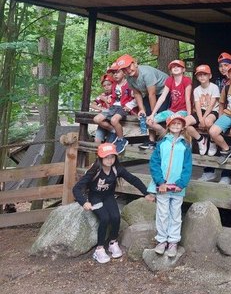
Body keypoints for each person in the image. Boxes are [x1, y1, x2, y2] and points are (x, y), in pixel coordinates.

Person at [73, 142, 154, 264]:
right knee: (105, 218)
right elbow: (76, 188)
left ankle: (113, 242)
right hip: (95, 197)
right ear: (100, 157)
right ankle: (99, 249)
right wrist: (84, 202)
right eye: (106, 157)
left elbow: (133, 179)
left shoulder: (117, 169)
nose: (109, 160)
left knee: (116, 217)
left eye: (112, 157)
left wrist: (146, 193)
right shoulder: (94, 170)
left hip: (108, 196)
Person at [148, 114, 193, 258]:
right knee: (162, 214)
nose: (176, 125)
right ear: (168, 125)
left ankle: (173, 242)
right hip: (163, 186)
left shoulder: (185, 145)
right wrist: (160, 182)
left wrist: (182, 183)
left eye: (179, 123)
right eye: (173, 123)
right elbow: (154, 163)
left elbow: (188, 167)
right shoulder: (162, 143)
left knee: (175, 214)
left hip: (178, 187)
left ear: (183, 126)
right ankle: (161, 240)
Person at [147, 59, 206, 151]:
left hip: (183, 110)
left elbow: (187, 98)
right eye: (173, 67)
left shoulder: (186, 80)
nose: (175, 68)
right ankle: (169, 138)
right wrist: (152, 113)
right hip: (172, 110)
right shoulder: (169, 80)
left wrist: (189, 114)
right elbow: (162, 97)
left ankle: (180, 143)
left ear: (183, 70)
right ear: (170, 70)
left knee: (175, 122)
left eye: (178, 66)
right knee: (150, 121)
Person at [115, 54, 168, 152]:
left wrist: (153, 113)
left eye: (129, 67)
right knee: (146, 114)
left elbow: (152, 94)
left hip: (164, 91)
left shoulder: (146, 73)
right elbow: (137, 93)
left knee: (159, 115)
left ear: (135, 63)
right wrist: (142, 109)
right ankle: (151, 141)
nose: (128, 70)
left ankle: (166, 140)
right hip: (150, 93)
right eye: (124, 69)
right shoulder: (129, 79)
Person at [200, 52, 231, 184]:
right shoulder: (218, 82)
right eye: (221, 66)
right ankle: (209, 172)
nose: (223, 68)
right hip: (218, 114)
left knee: (229, 144)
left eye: (226, 65)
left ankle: (226, 175)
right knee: (211, 142)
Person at [92, 65, 137, 152]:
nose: (115, 75)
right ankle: (113, 131)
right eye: (113, 73)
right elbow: (112, 97)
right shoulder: (114, 85)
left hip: (123, 107)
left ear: (124, 73)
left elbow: (137, 96)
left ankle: (121, 139)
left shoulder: (130, 83)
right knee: (97, 119)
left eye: (117, 72)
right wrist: (107, 100)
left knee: (114, 120)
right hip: (113, 107)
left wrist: (130, 106)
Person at [192, 64, 220, 156]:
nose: (202, 76)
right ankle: (201, 140)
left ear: (210, 76)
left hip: (212, 111)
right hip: (201, 111)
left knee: (208, 122)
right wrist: (200, 119)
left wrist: (203, 119)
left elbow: (212, 105)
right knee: (185, 123)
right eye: (199, 75)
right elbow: (197, 105)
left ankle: (212, 141)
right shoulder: (196, 90)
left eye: (205, 74)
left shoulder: (214, 87)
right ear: (197, 77)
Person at [91, 71, 114, 144]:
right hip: (102, 122)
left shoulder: (115, 95)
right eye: (104, 86)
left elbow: (112, 108)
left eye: (109, 85)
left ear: (113, 84)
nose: (106, 87)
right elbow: (92, 104)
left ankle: (113, 131)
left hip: (112, 122)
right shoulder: (102, 95)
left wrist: (105, 100)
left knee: (109, 144)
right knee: (97, 141)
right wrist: (102, 109)